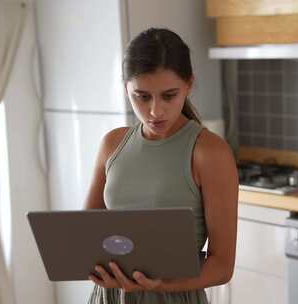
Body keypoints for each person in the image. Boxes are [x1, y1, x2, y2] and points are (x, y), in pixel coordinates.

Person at [84, 27, 239, 304]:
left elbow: (222, 265)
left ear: (188, 85)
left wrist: (162, 285)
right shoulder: (112, 144)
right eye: (142, 96)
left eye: (169, 95)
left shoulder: (209, 153)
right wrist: (95, 269)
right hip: (110, 297)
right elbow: (85, 238)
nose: (155, 111)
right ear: (126, 89)